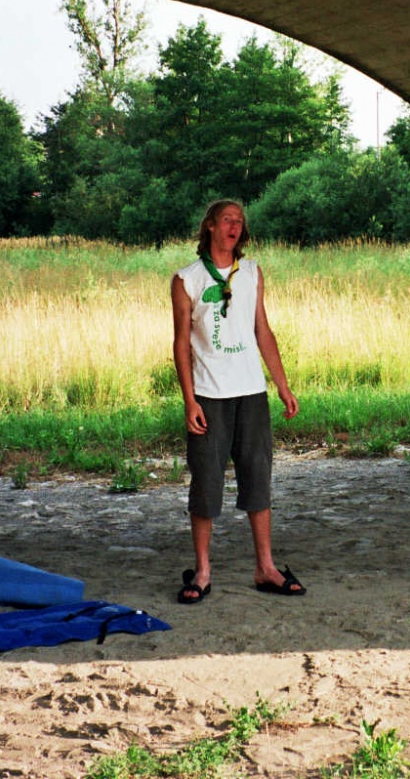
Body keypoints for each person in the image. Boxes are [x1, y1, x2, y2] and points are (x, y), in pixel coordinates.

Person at [171, 199, 304, 604]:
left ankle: (266, 567)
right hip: (210, 395)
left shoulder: (251, 273)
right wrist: (189, 400)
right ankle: (203, 571)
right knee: (207, 482)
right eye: (227, 220)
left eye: (240, 221)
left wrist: (281, 384)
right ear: (209, 226)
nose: (234, 226)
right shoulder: (186, 279)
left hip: (251, 393)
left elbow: (262, 329)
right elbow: (180, 343)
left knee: (257, 478)